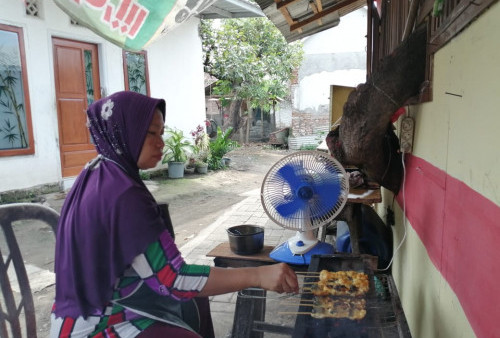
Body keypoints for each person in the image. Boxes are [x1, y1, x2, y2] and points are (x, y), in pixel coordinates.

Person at [50, 91, 299, 338]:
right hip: (101, 320)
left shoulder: (96, 171)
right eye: (150, 133)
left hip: (77, 311)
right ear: (124, 131)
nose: (161, 143)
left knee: (196, 302)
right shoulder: (124, 194)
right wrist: (257, 275)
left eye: (161, 133)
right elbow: (173, 279)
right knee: (188, 294)